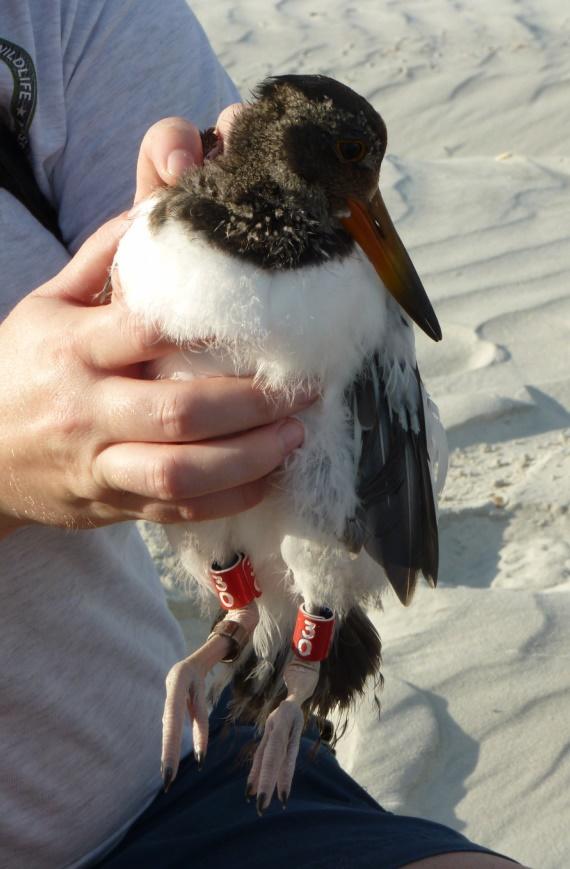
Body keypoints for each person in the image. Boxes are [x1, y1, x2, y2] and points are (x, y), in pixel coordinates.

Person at [0, 1, 524, 866]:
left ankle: (271, 670)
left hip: (163, 784)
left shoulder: (59, 16)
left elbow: (188, 217)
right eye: (356, 166)